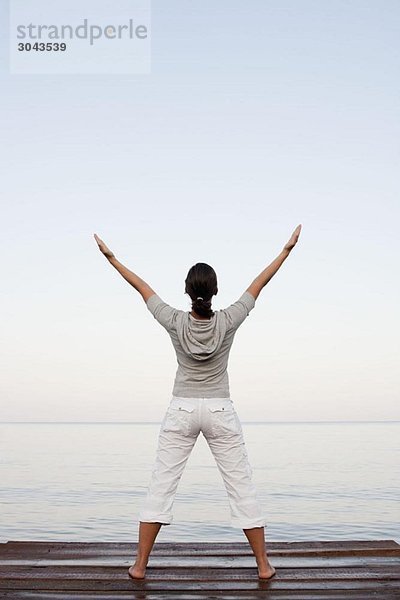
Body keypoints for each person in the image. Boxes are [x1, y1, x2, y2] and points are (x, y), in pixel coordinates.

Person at [94, 224, 302, 581]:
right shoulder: (229, 319)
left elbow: (142, 288)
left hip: (182, 409)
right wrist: (286, 250)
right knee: (241, 486)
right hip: (220, 409)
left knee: (161, 484)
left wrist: (112, 258)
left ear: (187, 292)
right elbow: (259, 283)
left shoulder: (174, 320)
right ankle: (264, 566)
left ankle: (140, 566)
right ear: (215, 291)